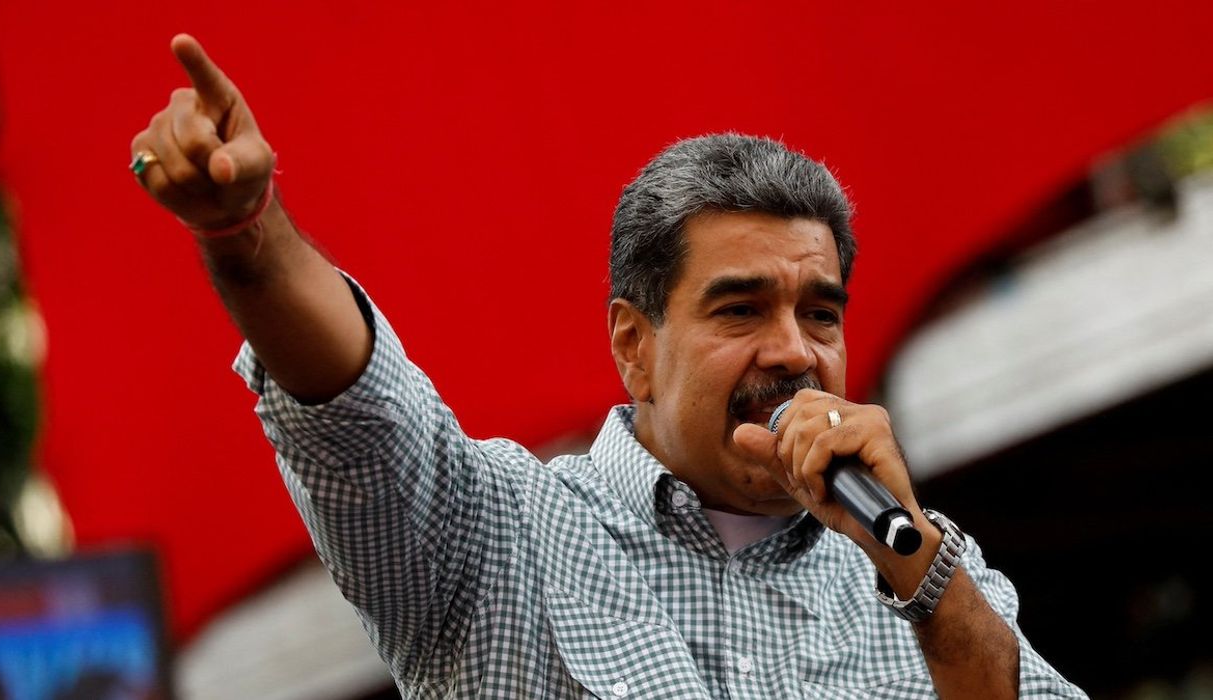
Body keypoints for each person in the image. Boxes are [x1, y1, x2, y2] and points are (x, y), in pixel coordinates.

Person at [131, 34, 1087, 699]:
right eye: (740, 309)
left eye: (820, 313)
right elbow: (356, 410)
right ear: (633, 345)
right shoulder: (494, 536)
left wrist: (923, 576)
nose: (795, 350)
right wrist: (247, 233)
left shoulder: (925, 576)